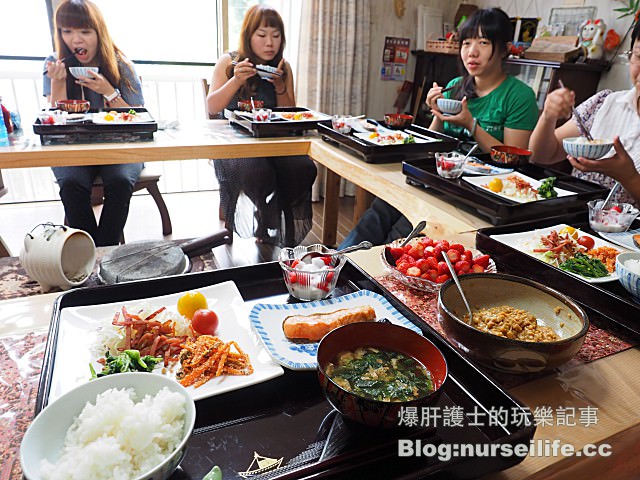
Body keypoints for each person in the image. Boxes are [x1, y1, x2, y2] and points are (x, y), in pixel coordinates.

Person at [340, 7, 539, 248]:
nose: (472, 52)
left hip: (481, 194)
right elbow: (434, 142)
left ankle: (370, 276)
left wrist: (470, 124)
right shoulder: (456, 86)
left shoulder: (519, 95)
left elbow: (512, 158)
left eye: (483, 42)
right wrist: (436, 114)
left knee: (404, 229)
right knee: (383, 207)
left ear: (504, 49)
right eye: (466, 43)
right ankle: (340, 264)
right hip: (440, 177)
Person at [207, 5, 316, 247]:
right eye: (262, 35)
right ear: (248, 35)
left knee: (303, 168)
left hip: (274, 143)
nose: (270, 43)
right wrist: (236, 79)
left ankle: (267, 213)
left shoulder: (282, 68)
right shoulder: (229, 62)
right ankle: (267, 215)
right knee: (258, 171)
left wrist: (280, 86)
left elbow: (290, 114)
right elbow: (213, 106)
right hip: (236, 145)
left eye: (276, 36)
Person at [43, 0, 144, 246]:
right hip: (72, 146)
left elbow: (139, 118)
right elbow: (54, 120)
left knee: (120, 182)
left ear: (99, 32)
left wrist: (109, 92)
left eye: (85, 32)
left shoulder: (120, 64)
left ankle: (105, 250)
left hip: (119, 145)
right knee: (71, 183)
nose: (76, 40)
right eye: (67, 31)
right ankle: (88, 251)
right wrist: (58, 82)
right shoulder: (55, 63)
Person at [529, 21, 640, 206]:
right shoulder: (604, 103)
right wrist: (548, 117)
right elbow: (542, 155)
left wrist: (629, 177)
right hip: (571, 221)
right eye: (639, 56)